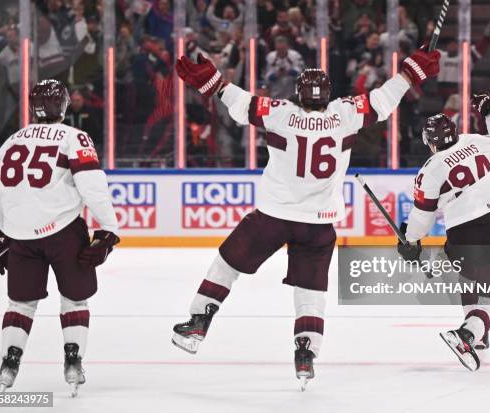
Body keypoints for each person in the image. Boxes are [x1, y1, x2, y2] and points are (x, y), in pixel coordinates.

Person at [173, 48, 440, 389]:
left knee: (227, 264)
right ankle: (306, 353)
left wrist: (214, 83)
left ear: (297, 94)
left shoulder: (281, 113)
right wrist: (410, 73)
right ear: (328, 95)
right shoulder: (346, 113)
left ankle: (199, 320)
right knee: (310, 289)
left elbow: (240, 103)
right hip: (319, 224)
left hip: (273, 216)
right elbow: (383, 101)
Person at [0, 79, 120, 395]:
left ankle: (10, 361)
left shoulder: (11, 141)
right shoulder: (74, 137)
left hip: (20, 236)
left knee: (20, 303)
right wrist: (109, 227)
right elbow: (92, 186)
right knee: (75, 298)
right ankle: (73, 360)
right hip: (63, 233)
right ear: (62, 106)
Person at [398, 93, 490, 372]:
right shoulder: (475, 141)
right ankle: (467, 335)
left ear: (430, 143)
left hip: (461, 234)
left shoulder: (429, 170)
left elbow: (422, 216)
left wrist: (409, 240)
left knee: (469, 279)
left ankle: (478, 336)